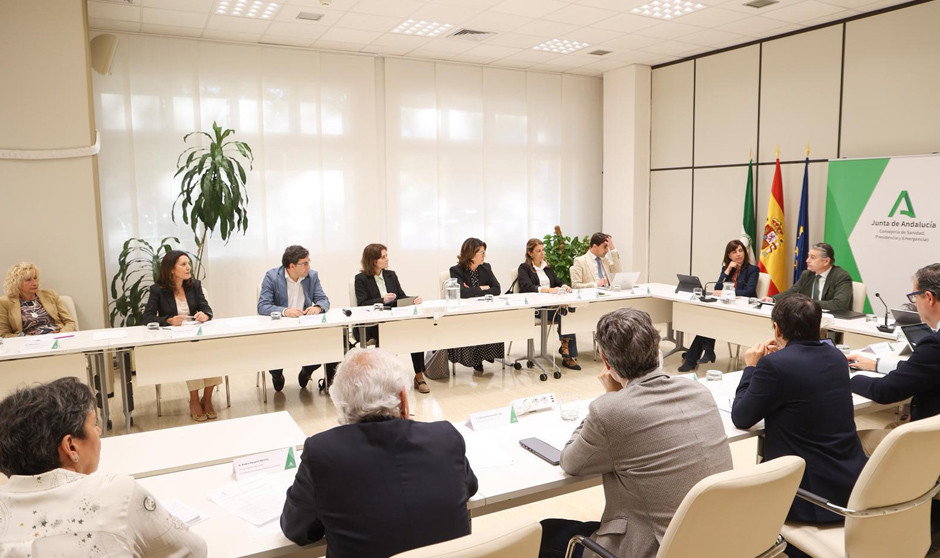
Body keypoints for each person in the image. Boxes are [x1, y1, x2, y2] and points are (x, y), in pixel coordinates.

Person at [539, 308, 732, 558]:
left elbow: (570, 462)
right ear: (657, 351)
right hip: (713, 542)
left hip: (652, 549)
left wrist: (610, 397)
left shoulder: (610, 410)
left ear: (605, 362)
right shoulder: (699, 392)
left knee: (545, 532)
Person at [280, 348, 478, 558]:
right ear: (403, 398)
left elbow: (297, 529)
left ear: (341, 403)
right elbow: (470, 486)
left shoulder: (322, 453)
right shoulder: (444, 437)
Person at [0, 377, 207, 557]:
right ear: (71, 446)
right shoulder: (115, 493)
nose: (98, 431)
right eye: (92, 424)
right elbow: (194, 551)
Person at [731, 294, 867, 526]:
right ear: (818, 326)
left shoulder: (774, 365)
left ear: (777, 328)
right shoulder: (835, 357)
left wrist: (751, 367)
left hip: (808, 495)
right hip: (849, 484)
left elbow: (741, 417)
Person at [848, 263, 940, 449]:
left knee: (850, 443)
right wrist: (876, 364)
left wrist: (846, 376)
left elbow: (884, 391)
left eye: (914, 297)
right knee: (891, 427)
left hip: (929, 445)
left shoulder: (934, 345)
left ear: (929, 298)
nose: (915, 304)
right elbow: (922, 370)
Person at [142, 250, 219, 422]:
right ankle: (193, 399)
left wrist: (204, 315)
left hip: (196, 335)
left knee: (212, 351)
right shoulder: (158, 290)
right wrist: (168, 320)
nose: (188, 267)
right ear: (171, 269)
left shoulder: (195, 285)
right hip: (176, 341)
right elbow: (147, 317)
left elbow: (207, 309)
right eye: (183, 264)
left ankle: (207, 399)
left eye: (188, 264)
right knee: (192, 355)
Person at [258, 245, 338, 392]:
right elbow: (263, 306)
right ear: (292, 266)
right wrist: (284, 311)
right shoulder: (272, 276)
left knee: (326, 345)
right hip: (280, 329)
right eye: (304, 263)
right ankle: (277, 376)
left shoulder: (312, 276)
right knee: (274, 352)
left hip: (305, 327)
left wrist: (318, 307)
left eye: (309, 262)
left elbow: (324, 300)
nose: (308, 266)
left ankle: (307, 371)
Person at [354, 243, 430, 393]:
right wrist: (381, 300)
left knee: (414, 332)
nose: (387, 259)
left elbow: (400, 296)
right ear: (373, 261)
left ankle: (419, 376)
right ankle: (384, 380)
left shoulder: (391, 275)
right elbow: (362, 304)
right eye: (383, 257)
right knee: (390, 335)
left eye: (386, 255)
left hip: (394, 320)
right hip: (374, 324)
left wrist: (413, 299)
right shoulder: (361, 279)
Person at [679, 239, 759, 371]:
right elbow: (717, 287)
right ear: (729, 256)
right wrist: (727, 270)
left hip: (744, 310)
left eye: (741, 251)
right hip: (728, 307)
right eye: (734, 252)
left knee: (710, 322)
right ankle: (702, 354)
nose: (739, 254)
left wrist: (726, 292)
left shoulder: (752, 270)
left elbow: (749, 291)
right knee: (710, 320)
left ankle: (695, 357)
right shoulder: (728, 269)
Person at [516, 238, 580, 370]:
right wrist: (547, 290)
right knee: (563, 313)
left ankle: (565, 349)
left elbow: (557, 281)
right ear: (530, 253)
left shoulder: (547, 267)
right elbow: (526, 286)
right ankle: (567, 355)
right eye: (538, 251)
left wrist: (564, 285)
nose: (542, 253)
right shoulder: (524, 268)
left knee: (567, 312)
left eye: (543, 250)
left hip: (551, 307)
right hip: (536, 308)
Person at [448, 238, 504, 372]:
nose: (484, 256)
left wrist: (473, 290)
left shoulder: (486, 267)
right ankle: (474, 359)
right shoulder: (456, 270)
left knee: (491, 320)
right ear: (471, 254)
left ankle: (486, 355)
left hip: (484, 309)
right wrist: (482, 288)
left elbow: (497, 289)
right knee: (475, 323)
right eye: (482, 253)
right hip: (465, 312)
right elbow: (461, 293)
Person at [763, 242, 853, 311]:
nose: (807, 260)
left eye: (812, 257)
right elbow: (792, 292)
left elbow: (840, 304)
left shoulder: (841, 276)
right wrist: (773, 299)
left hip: (834, 321)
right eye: (808, 256)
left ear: (826, 261)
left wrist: (807, 303)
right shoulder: (807, 274)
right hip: (809, 318)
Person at [1, 261, 76, 337]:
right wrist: (24, 338)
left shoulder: (50, 295)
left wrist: (61, 334)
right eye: (28, 280)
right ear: (16, 283)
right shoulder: (5, 302)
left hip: (57, 338)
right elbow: (4, 334)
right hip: (29, 343)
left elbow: (70, 322)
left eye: (35, 278)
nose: (35, 283)